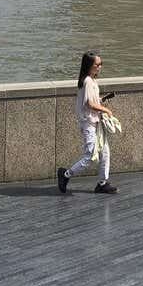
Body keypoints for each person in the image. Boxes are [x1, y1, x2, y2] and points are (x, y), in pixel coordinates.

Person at [57, 50, 118, 195]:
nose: (100, 67)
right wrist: (106, 110)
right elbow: (90, 104)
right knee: (90, 155)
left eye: (101, 64)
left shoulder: (90, 80)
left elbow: (90, 102)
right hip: (89, 124)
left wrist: (103, 100)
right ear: (89, 65)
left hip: (95, 122)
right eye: (97, 64)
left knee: (105, 152)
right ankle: (65, 174)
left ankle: (102, 183)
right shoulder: (88, 81)